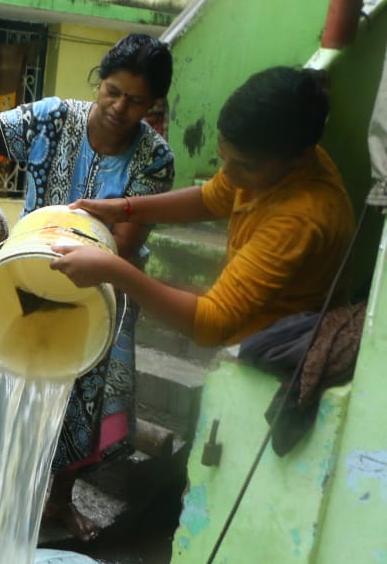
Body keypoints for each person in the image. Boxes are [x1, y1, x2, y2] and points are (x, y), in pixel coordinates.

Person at [0, 33, 175, 540]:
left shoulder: (154, 159)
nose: (120, 107)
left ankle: (58, 500)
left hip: (105, 289)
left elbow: (124, 239)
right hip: (25, 275)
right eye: (112, 91)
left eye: (136, 101)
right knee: (18, 379)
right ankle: (0, 493)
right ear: (99, 81)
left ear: (154, 105)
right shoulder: (53, 117)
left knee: (86, 397)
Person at [51, 66, 354, 355]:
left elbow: (212, 323)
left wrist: (114, 271)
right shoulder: (270, 159)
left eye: (246, 167)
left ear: (299, 158)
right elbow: (212, 198)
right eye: (225, 157)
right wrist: (125, 208)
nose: (231, 176)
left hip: (274, 348)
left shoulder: (299, 219)